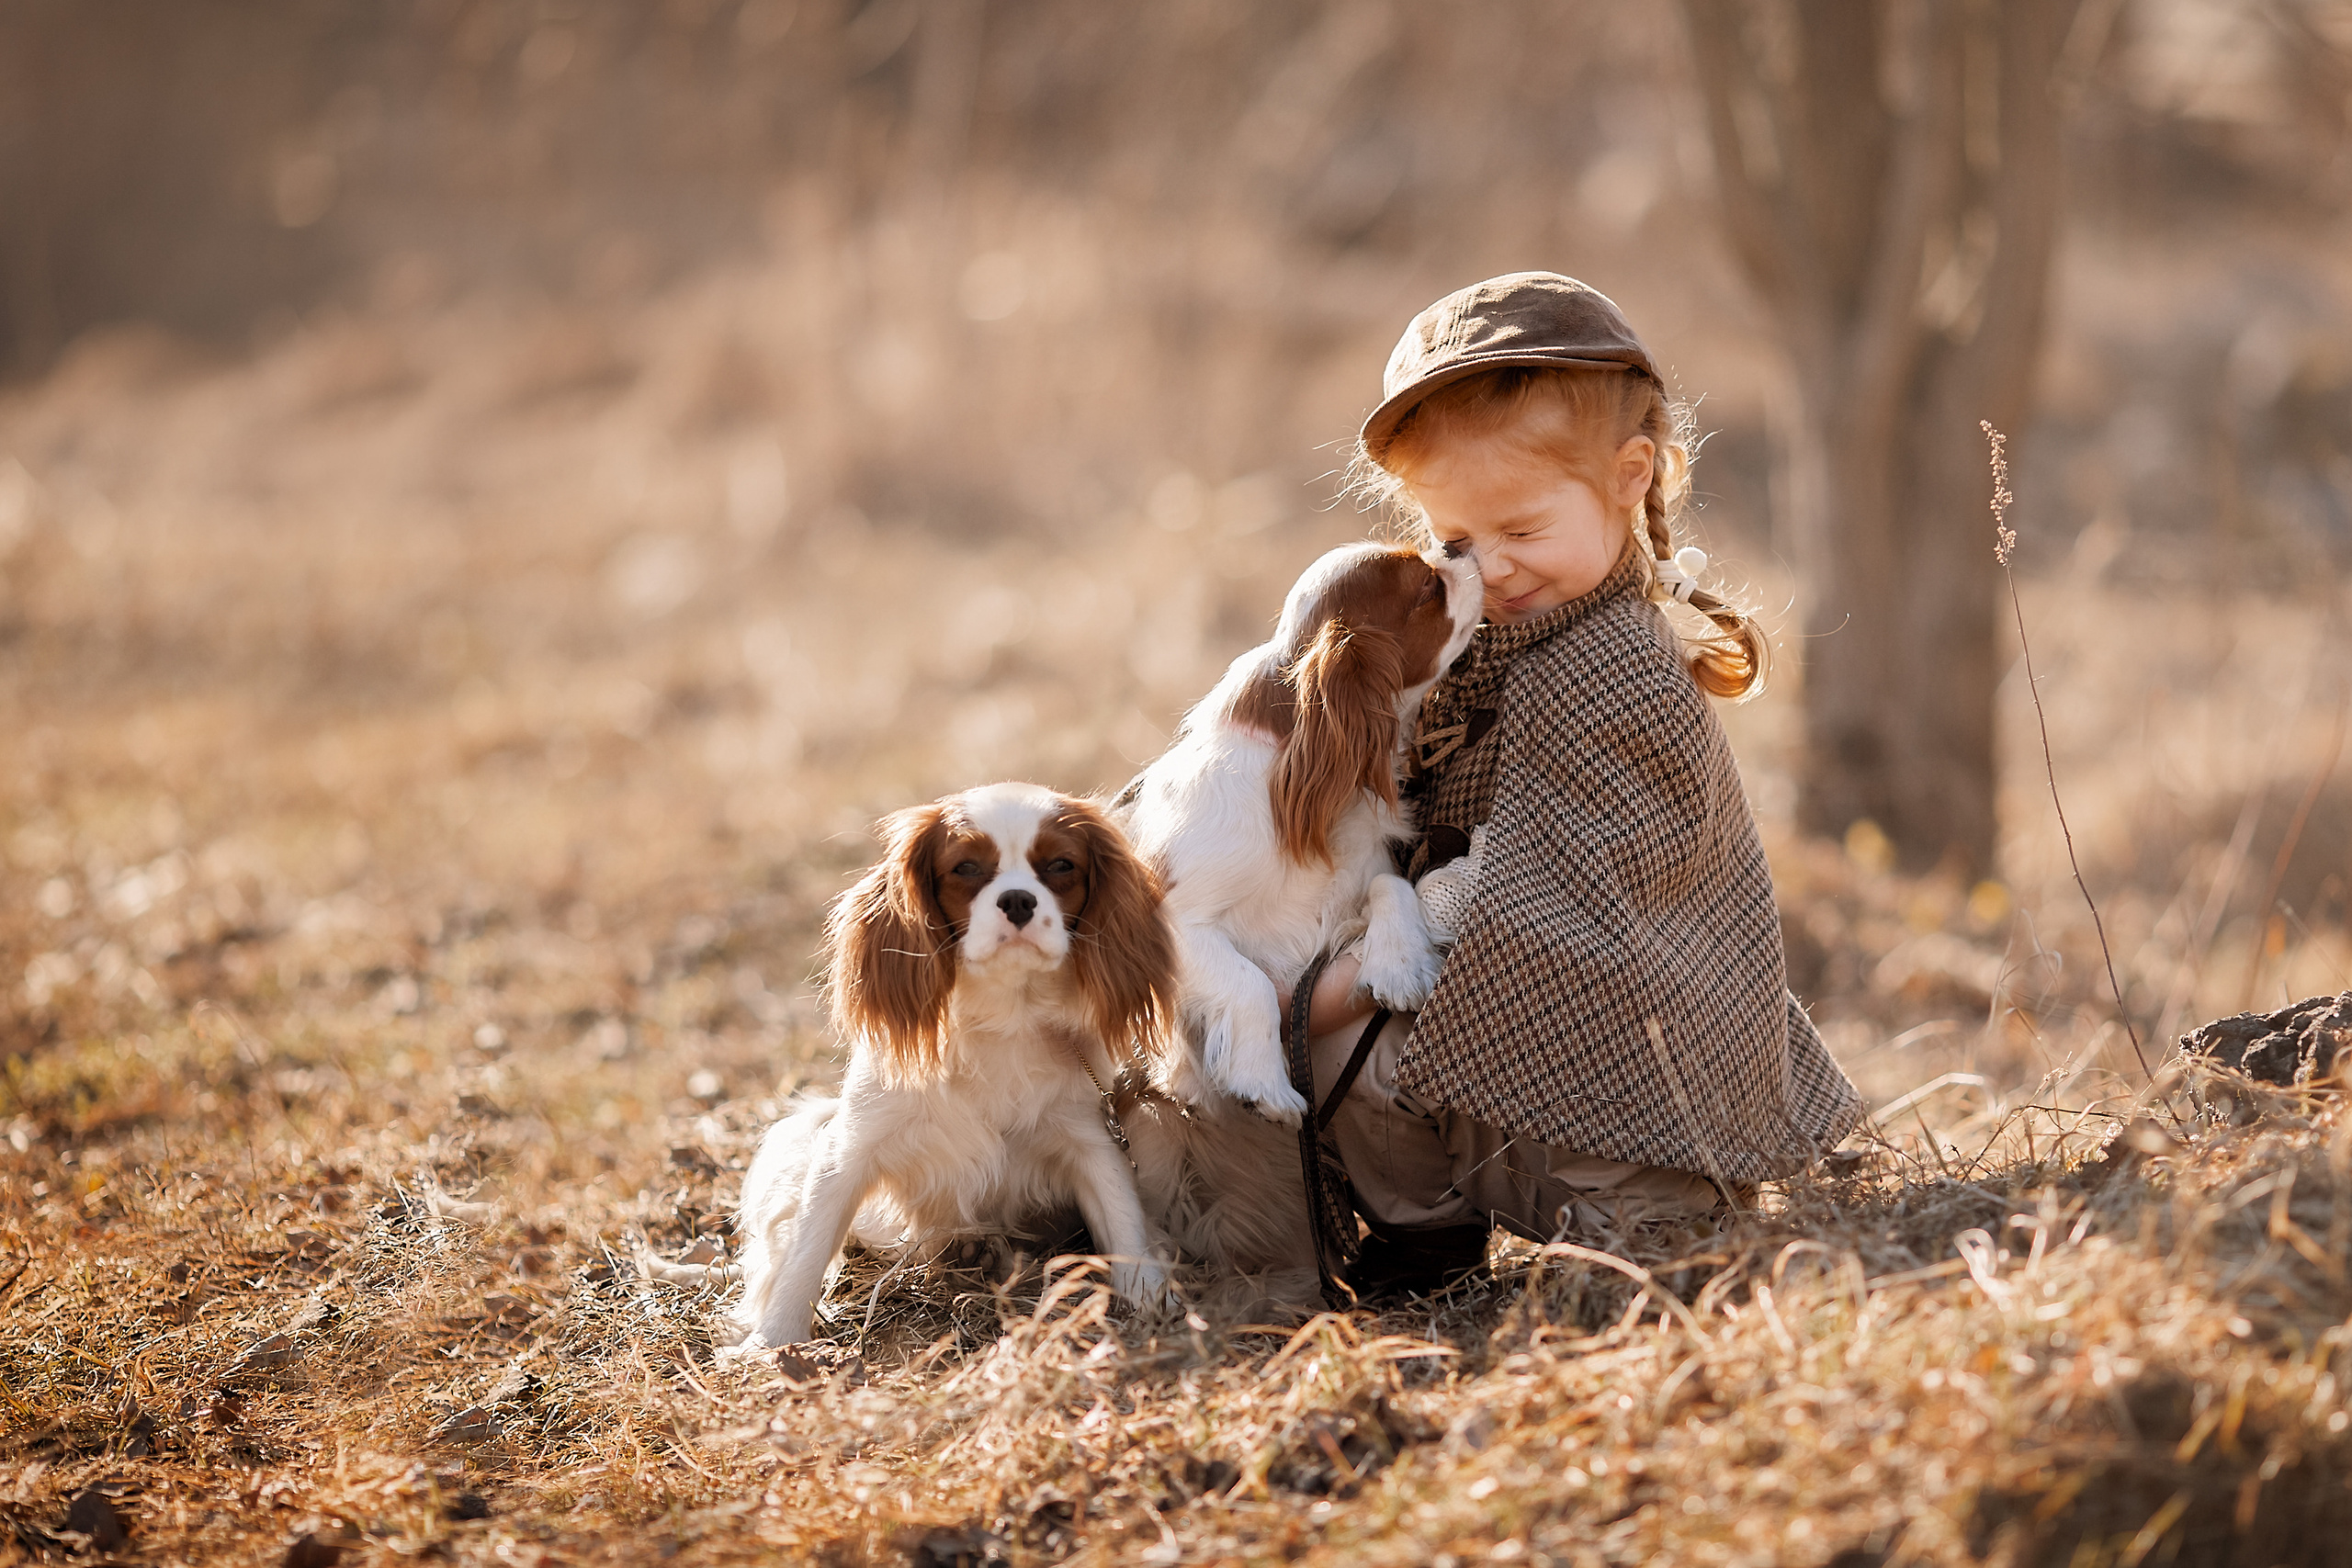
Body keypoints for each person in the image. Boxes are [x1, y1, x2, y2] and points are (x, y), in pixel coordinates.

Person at [1301, 272, 1862, 1298]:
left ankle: (1649, 1221)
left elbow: (1542, 877)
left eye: (1521, 531)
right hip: (1518, 1049)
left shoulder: (1612, 668)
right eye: (1455, 542)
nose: (1492, 568)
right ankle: (1430, 1238)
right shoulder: (1494, 639)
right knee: (1356, 1054)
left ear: (1627, 477)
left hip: (1643, 1081)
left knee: (1347, 1030)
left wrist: (1329, 985)